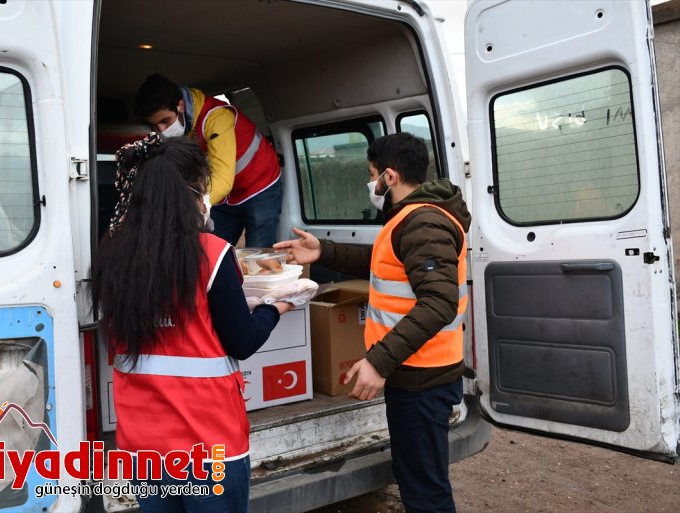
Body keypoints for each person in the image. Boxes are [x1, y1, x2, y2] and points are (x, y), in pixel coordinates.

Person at [91, 134, 293, 513]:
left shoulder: (111, 256)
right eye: (204, 190)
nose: (207, 200)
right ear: (190, 193)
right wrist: (275, 307)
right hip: (208, 443)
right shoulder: (212, 254)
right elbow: (242, 341)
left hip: (144, 445)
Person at [274, 133, 470, 513]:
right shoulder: (413, 218)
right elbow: (386, 262)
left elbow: (439, 302)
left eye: (372, 175)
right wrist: (324, 251)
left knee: (426, 492)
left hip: (421, 378)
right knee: (417, 479)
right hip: (415, 373)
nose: (371, 184)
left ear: (390, 177)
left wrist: (379, 360)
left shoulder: (423, 221)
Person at [134, 74, 282, 247]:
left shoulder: (216, 117)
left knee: (258, 254)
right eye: (155, 126)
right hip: (224, 195)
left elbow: (222, 180)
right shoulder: (181, 128)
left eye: (165, 121)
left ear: (180, 105)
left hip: (260, 185)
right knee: (211, 251)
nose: (162, 130)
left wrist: (188, 207)